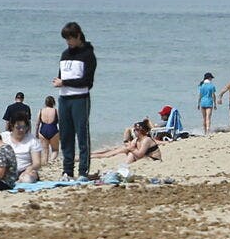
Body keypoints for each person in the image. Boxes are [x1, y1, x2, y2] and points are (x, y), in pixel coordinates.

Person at [54, 21, 97, 180]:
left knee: (82, 135)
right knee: (66, 135)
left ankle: (83, 171)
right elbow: (61, 75)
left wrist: (65, 83)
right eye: (66, 40)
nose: (68, 42)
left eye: (70, 39)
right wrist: (60, 82)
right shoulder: (65, 54)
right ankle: (67, 171)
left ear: (78, 36)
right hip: (64, 98)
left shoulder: (88, 55)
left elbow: (87, 82)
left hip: (80, 99)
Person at [93, 120, 164, 164]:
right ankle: (96, 154)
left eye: (135, 130)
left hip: (154, 160)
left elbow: (140, 154)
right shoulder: (137, 139)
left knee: (131, 154)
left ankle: (125, 166)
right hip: (146, 157)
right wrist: (127, 146)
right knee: (118, 150)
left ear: (140, 131)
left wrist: (131, 148)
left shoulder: (147, 140)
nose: (134, 132)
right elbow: (129, 147)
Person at [37, 96, 60, 164]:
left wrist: (36, 133)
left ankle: (45, 163)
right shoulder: (55, 110)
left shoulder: (41, 110)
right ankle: (51, 160)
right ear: (53, 103)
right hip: (53, 130)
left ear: (45, 103)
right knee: (55, 150)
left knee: (44, 150)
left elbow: (37, 123)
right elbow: (61, 123)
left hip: (43, 130)